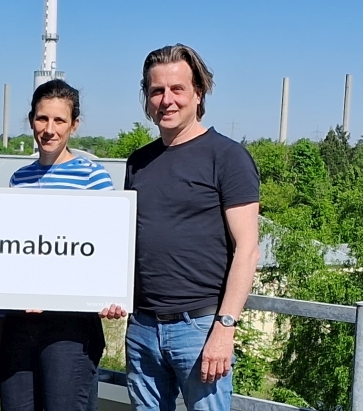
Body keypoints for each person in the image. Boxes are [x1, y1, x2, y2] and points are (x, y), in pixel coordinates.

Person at [124, 44, 260, 411]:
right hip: (142, 328)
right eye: (156, 91)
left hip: (199, 328)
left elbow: (247, 248)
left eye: (177, 89)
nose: (166, 100)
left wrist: (225, 327)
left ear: (199, 93)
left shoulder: (227, 157)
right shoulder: (138, 163)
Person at [0, 79, 127, 411]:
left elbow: (105, 253)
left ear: (74, 125)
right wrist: (0, 327)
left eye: (59, 120)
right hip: (20, 326)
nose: (49, 129)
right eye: (41, 119)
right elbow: (12, 257)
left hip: (70, 327)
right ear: (31, 120)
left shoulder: (93, 179)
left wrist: (111, 294)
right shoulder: (18, 180)